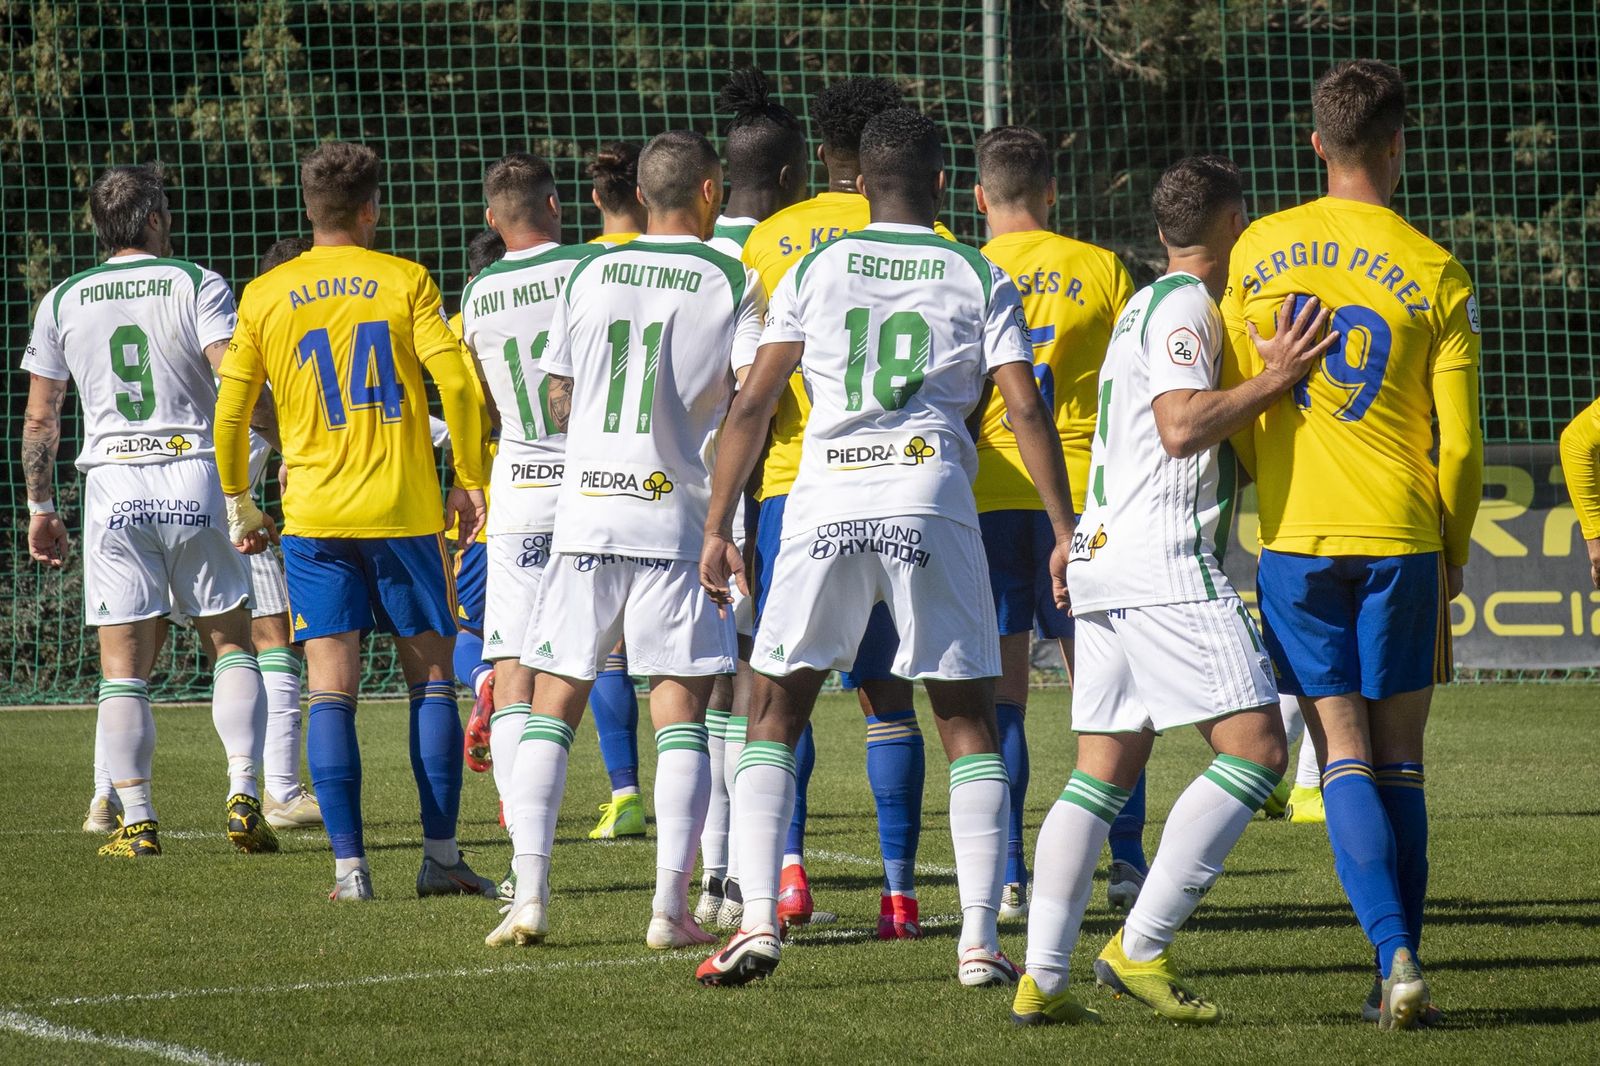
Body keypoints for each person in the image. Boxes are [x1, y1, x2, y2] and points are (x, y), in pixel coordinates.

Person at [696, 108, 1076, 988]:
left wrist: (718, 527)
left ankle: (757, 922)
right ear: (945, 185)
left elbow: (753, 403)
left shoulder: (814, 266)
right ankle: (979, 941)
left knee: (775, 710)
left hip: (825, 500)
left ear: (858, 183)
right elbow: (1023, 410)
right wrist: (1064, 530)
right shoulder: (977, 270)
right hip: (931, 498)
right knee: (965, 718)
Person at [1012, 155, 1331, 1027]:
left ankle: (1041, 977)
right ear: (1237, 224)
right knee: (1258, 751)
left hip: (1104, 553)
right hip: (1161, 562)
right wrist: (1277, 378)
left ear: (1159, 229)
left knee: (1102, 767)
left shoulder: (1140, 309)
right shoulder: (1189, 303)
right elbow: (1181, 426)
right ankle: (1140, 946)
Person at [1220, 60, 1483, 1029]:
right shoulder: (1432, 266)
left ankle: (1391, 954)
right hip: (1405, 535)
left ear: (1315, 143)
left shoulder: (1260, 246)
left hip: (1295, 537)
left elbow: (1235, 394)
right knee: (1400, 756)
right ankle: (1396, 966)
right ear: (1397, 146)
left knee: (1338, 750)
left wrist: (1260, 469)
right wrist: (1451, 545)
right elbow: (1460, 444)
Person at [488, 130, 762, 951]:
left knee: (554, 699)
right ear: (711, 191)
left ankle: (529, 898)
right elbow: (750, 401)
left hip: (584, 514)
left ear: (642, 198)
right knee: (678, 710)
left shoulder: (592, 270)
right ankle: (667, 912)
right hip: (675, 517)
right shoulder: (731, 276)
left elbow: (564, 398)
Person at [214, 141, 496, 902]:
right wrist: (469, 480)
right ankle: (440, 859)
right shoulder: (405, 280)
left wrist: (241, 498)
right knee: (434, 682)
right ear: (372, 208)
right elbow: (460, 389)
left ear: (309, 210)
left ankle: (350, 872)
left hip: (314, 517)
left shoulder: (267, 293)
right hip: (402, 513)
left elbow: (232, 408)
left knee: (330, 690)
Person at [739, 75, 947, 940]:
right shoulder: (919, 234)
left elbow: (741, 385)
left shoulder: (771, 242)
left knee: (783, 689)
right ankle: (899, 893)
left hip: (796, 485)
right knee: (889, 698)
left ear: (813, 156)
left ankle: (787, 874)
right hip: (904, 484)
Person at [23, 164, 276, 857]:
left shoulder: (62, 298)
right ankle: (244, 792)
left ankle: (136, 821)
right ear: (157, 219)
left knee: (123, 669)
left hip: (114, 486)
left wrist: (40, 506)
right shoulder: (196, 282)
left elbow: (42, 419)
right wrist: (277, 447)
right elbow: (236, 381)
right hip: (194, 473)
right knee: (230, 642)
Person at [972, 124, 1134, 917]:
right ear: (1052, 193)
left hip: (991, 493)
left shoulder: (966, 268)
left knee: (1003, 693)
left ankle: (1006, 873)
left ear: (978, 197)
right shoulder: (1101, 267)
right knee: (1104, 689)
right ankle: (1128, 862)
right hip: (1085, 498)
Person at [459, 152, 595, 902]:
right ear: (554, 202)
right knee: (671, 670)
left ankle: (523, 861)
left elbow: (475, 393)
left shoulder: (478, 294)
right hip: (596, 480)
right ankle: (714, 871)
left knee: (510, 667)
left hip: (518, 485)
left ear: (490, 220)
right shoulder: (588, 267)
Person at [695, 65, 810, 930]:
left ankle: (718, 875)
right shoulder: (786, 251)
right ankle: (774, 866)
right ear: (787, 180)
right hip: (771, 487)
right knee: (772, 686)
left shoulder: (696, 257)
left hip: (681, 496)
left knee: (710, 687)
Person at [579, 142, 653, 842]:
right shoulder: (702, 266)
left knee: (594, 657)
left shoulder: (583, 272)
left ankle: (623, 790)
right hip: (678, 489)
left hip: (586, 486)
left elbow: (558, 386)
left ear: (598, 197)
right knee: (694, 671)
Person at [449, 226, 507, 777]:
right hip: (553, 500)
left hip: (478, 513)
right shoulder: (549, 309)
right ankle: (626, 787)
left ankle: (481, 681)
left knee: (468, 636)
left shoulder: (454, 329)